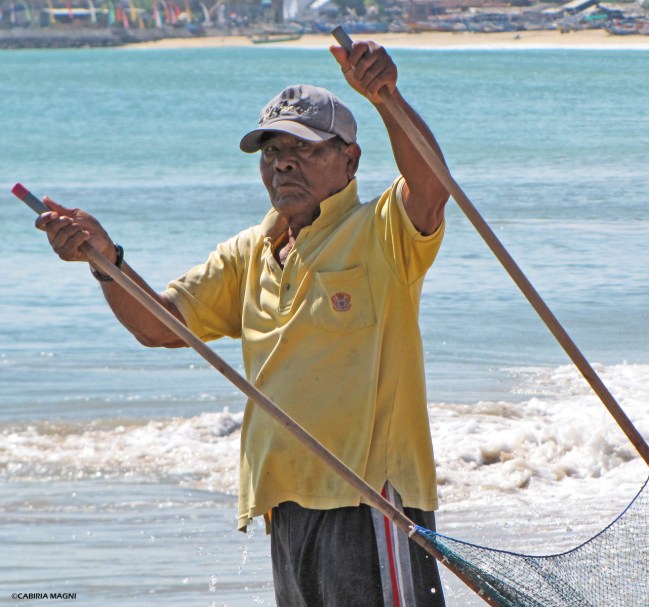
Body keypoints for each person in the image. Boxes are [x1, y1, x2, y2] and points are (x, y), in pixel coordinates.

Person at [36, 40, 449, 607]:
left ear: (350, 160)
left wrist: (386, 98)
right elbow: (160, 326)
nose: (283, 163)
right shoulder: (249, 252)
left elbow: (431, 187)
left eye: (303, 148)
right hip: (284, 503)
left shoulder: (381, 231)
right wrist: (106, 262)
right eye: (271, 150)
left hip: (372, 500)